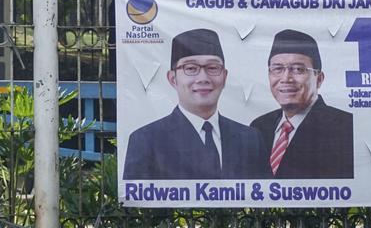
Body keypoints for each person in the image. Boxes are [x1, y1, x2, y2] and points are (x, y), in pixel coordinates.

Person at [123, 28, 270, 179]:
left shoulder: (250, 138)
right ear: (173, 79)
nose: (203, 78)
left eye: (212, 68)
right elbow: (136, 200)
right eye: (191, 68)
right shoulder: (146, 140)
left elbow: (266, 198)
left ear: (225, 77)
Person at [250, 29, 354, 179]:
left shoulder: (345, 127)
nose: (286, 78)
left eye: (298, 69)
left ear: (319, 79)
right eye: (277, 69)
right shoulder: (258, 128)